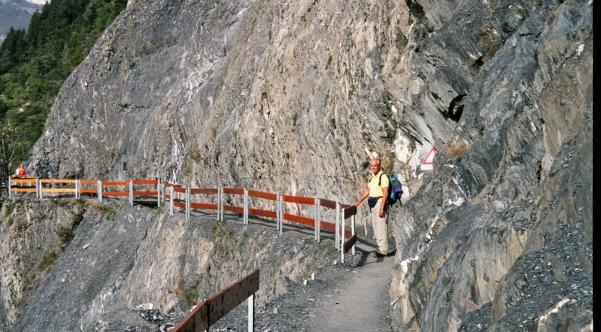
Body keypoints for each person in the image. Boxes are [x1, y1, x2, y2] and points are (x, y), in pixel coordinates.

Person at [353, 157, 390, 258]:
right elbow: (368, 190)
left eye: (375, 166)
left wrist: (382, 208)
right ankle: (380, 248)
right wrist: (359, 201)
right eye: (372, 166)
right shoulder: (372, 177)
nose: (373, 167)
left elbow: (385, 193)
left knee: (381, 227)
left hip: (380, 203)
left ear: (379, 166)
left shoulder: (383, 176)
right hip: (373, 204)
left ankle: (383, 251)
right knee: (376, 227)